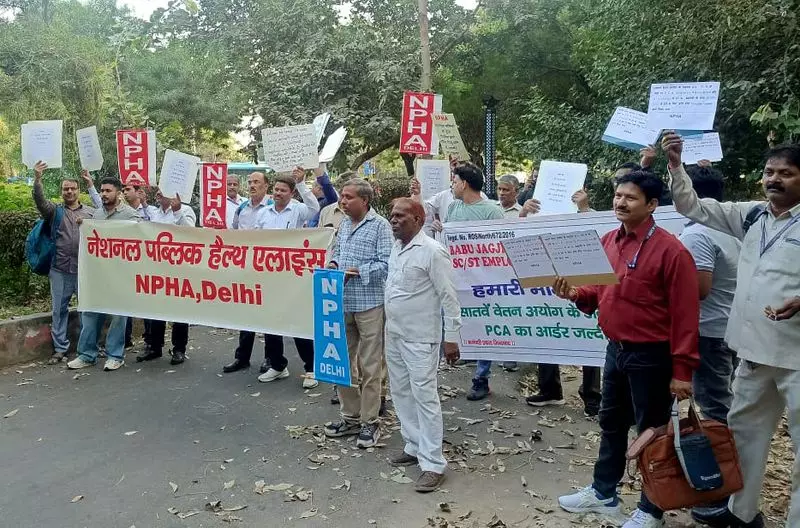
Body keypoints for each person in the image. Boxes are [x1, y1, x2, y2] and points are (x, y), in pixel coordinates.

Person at [665, 134, 800, 528]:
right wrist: (676, 166)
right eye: (769, 172)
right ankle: (741, 514)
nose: (774, 179)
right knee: (744, 437)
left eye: (787, 173)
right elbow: (693, 206)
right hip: (752, 352)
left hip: (796, 357)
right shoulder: (753, 215)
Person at [554, 170, 699, 528]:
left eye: (630, 198)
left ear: (652, 205)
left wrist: (682, 372)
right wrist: (574, 293)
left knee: (651, 431)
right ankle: (603, 492)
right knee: (612, 422)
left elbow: (685, 315)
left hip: (653, 355)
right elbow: (597, 291)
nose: (620, 202)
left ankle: (651, 510)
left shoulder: (672, 251)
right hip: (616, 350)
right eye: (618, 196)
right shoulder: (608, 241)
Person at [672, 162, 742, 524]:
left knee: (715, 412)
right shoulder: (734, 230)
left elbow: (697, 290)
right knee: (724, 406)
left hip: (707, 334)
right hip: (729, 329)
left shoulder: (699, 233)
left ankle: (722, 494)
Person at [385, 198, 461, 492]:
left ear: (418, 219)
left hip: (421, 338)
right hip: (394, 333)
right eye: (392, 215)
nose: (394, 220)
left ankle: (432, 464)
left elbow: (449, 298)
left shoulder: (432, 251)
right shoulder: (396, 246)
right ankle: (413, 445)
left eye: (401, 216)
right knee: (401, 392)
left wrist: (452, 338)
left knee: (425, 398)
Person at [323, 178, 393, 449]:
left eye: (349, 197)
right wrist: (333, 264)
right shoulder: (343, 225)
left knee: (370, 365)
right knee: (342, 363)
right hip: (342, 302)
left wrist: (356, 272)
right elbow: (338, 252)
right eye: (342, 196)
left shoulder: (380, 226)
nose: (343, 201)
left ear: (365, 200)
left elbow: (387, 263)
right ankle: (350, 418)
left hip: (370, 303)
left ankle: (370, 422)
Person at [524, 188, 602, 416]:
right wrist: (523, 216)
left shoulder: (588, 214)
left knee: (587, 338)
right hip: (548, 285)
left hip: (582, 285)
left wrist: (584, 209)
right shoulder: (536, 213)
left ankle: (592, 396)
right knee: (546, 333)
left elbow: (598, 233)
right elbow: (514, 236)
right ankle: (549, 389)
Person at [441, 162, 505, 401]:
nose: (453, 185)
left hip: (484, 281)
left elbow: (500, 245)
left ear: (464, 184)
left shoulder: (492, 211)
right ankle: (461, 351)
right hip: (456, 278)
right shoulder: (454, 208)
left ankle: (481, 378)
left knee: (483, 325)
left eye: (455, 181)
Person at [67, 177, 142, 371]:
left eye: (108, 191)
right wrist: (85, 225)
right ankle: (86, 354)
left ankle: (115, 355)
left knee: (118, 316)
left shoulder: (131, 216)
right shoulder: (97, 215)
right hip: (98, 275)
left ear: (118, 193)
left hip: (120, 275)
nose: (104, 194)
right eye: (102, 190)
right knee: (90, 313)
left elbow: (139, 240)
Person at [255, 168, 321, 388]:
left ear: (291, 193)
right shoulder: (263, 213)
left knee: (297, 321)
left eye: (283, 190)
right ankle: (277, 365)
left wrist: (302, 183)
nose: (278, 193)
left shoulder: (299, 210)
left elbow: (315, 209)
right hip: (269, 275)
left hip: (293, 276)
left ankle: (311, 368)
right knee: (271, 321)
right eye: (276, 190)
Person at [31, 162, 98, 364]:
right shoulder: (54, 212)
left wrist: (91, 185)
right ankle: (60, 349)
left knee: (88, 309)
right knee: (58, 310)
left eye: (72, 188)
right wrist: (37, 179)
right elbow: (40, 200)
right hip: (59, 269)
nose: (69, 191)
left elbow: (106, 212)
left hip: (84, 270)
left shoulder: (90, 212)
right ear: (61, 192)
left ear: (78, 190)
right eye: (65, 189)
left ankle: (90, 347)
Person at [223, 171, 276, 375]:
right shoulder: (242, 208)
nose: (252, 185)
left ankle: (271, 359)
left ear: (266, 186)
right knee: (246, 314)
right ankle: (242, 357)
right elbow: (235, 233)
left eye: (257, 182)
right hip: (245, 268)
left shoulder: (273, 208)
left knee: (269, 316)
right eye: (251, 182)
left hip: (268, 270)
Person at [136, 190, 197, 365]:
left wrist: (177, 211)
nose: (159, 193)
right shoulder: (154, 213)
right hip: (157, 269)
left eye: (164, 191)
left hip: (179, 269)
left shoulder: (185, 210)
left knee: (179, 311)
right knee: (156, 309)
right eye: (159, 191)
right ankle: (155, 347)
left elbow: (192, 235)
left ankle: (179, 349)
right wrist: (144, 203)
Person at [122, 183, 155, 349]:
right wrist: (90, 185)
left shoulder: (151, 211)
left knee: (147, 303)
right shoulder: (121, 212)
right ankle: (125, 339)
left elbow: (156, 227)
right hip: (127, 263)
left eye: (128, 190)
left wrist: (145, 205)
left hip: (147, 264)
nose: (125, 193)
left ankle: (150, 339)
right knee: (126, 301)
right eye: (123, 190)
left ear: (138, 192)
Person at [306, 163, 339, 227]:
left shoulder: (329, 202)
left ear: (319, 188)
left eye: (312, 187)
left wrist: (314, 164)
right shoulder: (308, 203)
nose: (310, 190)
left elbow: (326, 184)